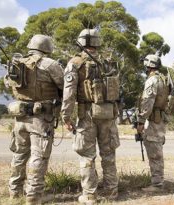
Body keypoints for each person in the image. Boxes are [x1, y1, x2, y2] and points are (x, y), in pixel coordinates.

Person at [61, 28, 120, 203]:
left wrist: (66, 116)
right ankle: (111, 192)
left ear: (81, 42)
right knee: (108, 154)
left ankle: (90, 195)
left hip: (86, 114)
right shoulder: (109, 63)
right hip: (108, 114)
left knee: (87, 156)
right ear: (97, 42)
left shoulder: (75, 63)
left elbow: (69, 93)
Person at [7, 34, 64, 204]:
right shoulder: (50, 64)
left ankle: (14, 192)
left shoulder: (17, 64)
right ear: (47, 48)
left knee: (19, 154)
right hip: (41, 119)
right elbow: (64, 85)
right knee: (38, 156)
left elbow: (8, 83)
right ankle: (33, 195)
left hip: (19, 117)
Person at [137, 54, 169, 192]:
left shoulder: (152, 80)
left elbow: (147, 102)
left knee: (154, 151)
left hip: (154, 121)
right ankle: (158, 181)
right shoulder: (163, 78)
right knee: (157, 149)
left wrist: (140, 120)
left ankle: (157, 184)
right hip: (160, 119)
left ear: (148, 65)